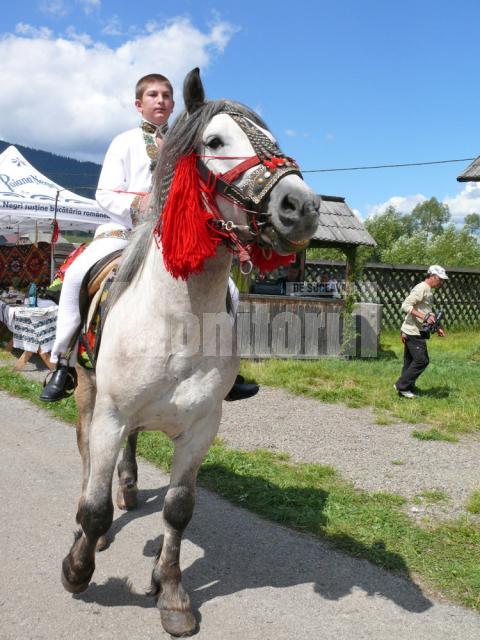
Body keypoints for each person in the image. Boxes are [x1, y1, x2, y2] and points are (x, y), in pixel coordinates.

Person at [40, 73, 257, 402]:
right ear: (138, 104)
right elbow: (104, 192)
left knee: (228, 289)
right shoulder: (124, 142)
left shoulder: (187, 145)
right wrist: (136, 203)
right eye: (153, 95)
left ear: (173, 104)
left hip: (173, 237)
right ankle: (63, 361)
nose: (160, 100)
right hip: (123, 232)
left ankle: (222, 369)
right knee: (75, 275)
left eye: (166, 95)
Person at [394, 265, 447, 399]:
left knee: (410, 361)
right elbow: (405, 306)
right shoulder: (421, 288)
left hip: (416, 330)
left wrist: (438, 326)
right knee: (422, 360)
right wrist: (424, 317)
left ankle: (406, 388)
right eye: (440, 279)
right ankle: (401, 385)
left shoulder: (428, 290)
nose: (442, 282)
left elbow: (426, 311)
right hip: (413, 331)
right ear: (433, 276)